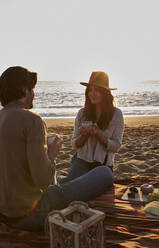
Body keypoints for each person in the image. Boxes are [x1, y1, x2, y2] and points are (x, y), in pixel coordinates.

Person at [0, 67, 114, 232]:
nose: (34, 94)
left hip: (4, 212)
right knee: (104, 173)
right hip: (29, 213)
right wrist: (51, 153)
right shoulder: (32, 121)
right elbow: (43, 180)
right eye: (32, 89)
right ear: (24, 90)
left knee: (63, 181)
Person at [58, 71, 124, 184]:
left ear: (105, 93)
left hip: (103, 165)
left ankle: (63, 180)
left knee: (97, 180)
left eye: (97, 90)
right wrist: (84, 136)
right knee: (74, 185)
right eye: (90, 90)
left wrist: (98, 134)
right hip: (81, 161)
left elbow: (116, 147)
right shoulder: (82, 113)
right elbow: (74, 144)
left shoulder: (116, 114)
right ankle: (61, 181)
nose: (92, 93)